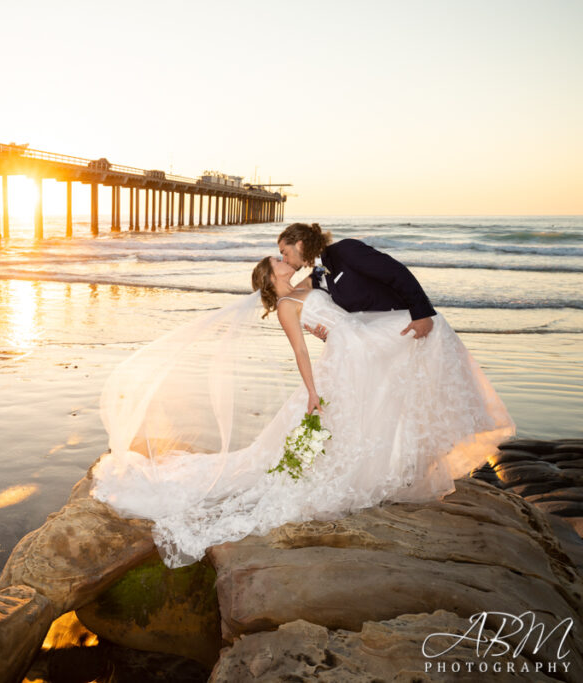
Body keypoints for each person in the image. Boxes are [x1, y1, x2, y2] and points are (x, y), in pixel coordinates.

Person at [90, 244, 514, 569]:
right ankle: (397, 461)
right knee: (393, 379)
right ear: (271, 277)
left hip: (356, 347)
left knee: (416, 356)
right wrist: (312, 391)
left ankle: (408, 458)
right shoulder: (287, 307)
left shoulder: (309, 285)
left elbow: (339, 309)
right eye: (279, 262)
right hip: (349, 357)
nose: (286, 261)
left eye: (284, 256)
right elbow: (300, 352)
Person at [277, 222, 435, 341]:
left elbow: (396, 272)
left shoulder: (345, 251)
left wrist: (421, 314)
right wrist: (326, 334)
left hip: (407, 327)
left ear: (299, 245)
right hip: (379, 340)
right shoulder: (319, 274)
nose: (284, 259)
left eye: (285, 253)